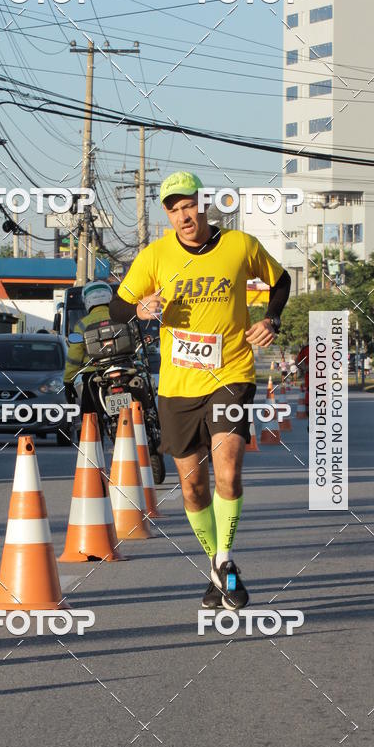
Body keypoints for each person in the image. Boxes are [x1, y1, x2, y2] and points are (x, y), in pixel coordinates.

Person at [109, 170, 290, 610]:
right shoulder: (155, 257)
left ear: (202, 204)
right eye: (173, 209)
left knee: (228, 469)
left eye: (188, 205)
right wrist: (140, 307)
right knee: (192, 487)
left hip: (230, 373)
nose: (183, 215)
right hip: (178, 384)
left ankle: (225, 560)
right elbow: (117, 307)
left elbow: (280, 280)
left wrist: (271, 319)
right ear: (167, 215)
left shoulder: (239, 246)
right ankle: (215, 567)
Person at [63, 280, 114, 413]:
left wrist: (68, 381)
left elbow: (75, 356)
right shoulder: (120, 317)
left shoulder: (82, 325)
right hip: (122, 372)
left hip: (94, 377)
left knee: (90, 417)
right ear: (109, 296)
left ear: (87, 300)